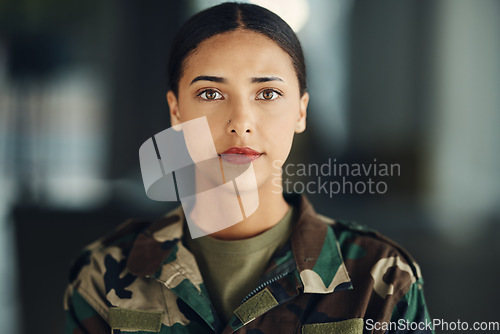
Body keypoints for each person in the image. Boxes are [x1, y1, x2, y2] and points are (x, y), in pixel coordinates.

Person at [64, 2, 433, 333]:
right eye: (211, 93)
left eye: (267, 94)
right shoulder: (103, 273)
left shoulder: (381, 278)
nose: (240, 121)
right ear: (176, 112)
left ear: (300, 111)